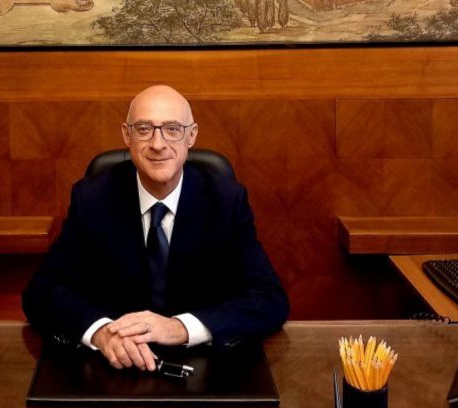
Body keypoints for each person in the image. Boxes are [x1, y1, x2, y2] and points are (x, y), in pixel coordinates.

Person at [22, 85, 288, 372]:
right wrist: (101, 333)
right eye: (144, 129)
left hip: (205, 370)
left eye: (172, 129)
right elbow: (42, 292)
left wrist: (180, 328)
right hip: (115, 367)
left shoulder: (226, 200)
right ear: (127, 135)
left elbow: (269, 298)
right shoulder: (93, 198)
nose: (158, 144)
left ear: (191, 135)